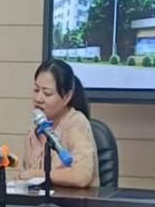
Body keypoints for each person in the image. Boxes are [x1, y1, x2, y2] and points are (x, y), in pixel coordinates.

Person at [19, 59, 98, 188]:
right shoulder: (34, 130)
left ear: (66, 97)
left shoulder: (76, 123)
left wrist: (40, 175)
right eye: (36, 90)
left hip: (70, 200)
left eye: (47, 93)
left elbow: (82, 176)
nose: (38, 98)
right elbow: (26, 176)